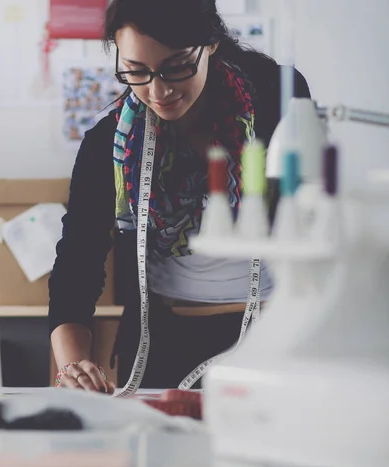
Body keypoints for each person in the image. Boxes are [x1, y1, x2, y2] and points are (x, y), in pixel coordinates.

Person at [49, 0, 310, 394]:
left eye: (176, 67)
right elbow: (76, 267)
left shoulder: (276, 98)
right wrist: (73, 367)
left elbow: (313, 206)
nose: (158, 90)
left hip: (275, 332)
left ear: (211, 44)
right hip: (166, 341)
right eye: (136, 71)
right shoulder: (111, 146)